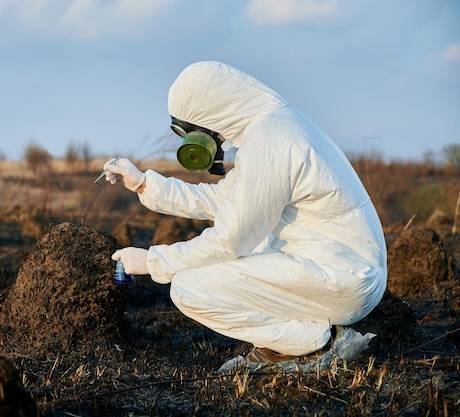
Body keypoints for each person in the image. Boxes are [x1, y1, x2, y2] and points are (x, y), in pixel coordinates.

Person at [103, 61, 387, 360]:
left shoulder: (271, 141)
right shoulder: (272, 128)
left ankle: (316, 342)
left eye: (196, 131)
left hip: (342, 277)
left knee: (191, 287)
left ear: (212, 111)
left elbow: (231, 239)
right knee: (243, 251)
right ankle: (302, 335)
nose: (212, 140)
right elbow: (225, 200)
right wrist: (143, 184)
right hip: (340, 267)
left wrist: (153, 261)